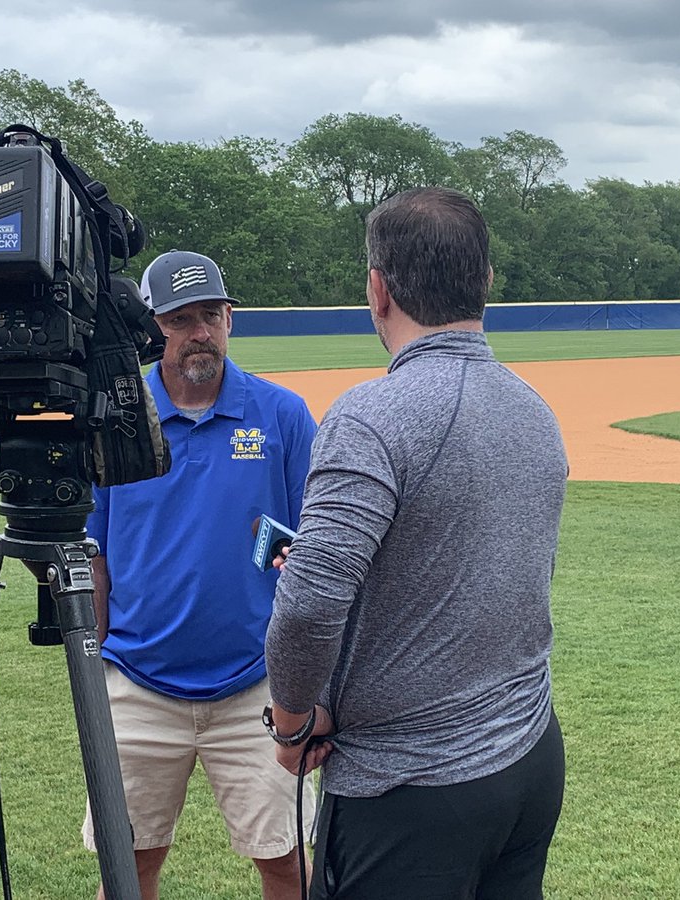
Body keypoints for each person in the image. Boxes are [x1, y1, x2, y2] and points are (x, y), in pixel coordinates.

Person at [263, 187, 569, 900]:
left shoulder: (372, 415)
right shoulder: (534, 407)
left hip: (411, 785)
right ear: (484, 280)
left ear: (378, 289)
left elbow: (308, 604)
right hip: (528, 755)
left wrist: (292, 724)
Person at [82, 249, 319, 900]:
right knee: (128, 871)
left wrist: (312, 682)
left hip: (256, 689)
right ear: (154, 326)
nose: (200, 333)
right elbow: (94, 553)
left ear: (230, 320)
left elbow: (319, 552)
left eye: (211, 315)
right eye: (181, 319)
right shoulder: (115, 419)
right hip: (136, 684)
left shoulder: (281, 415)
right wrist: (97, 667)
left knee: (285, 864)